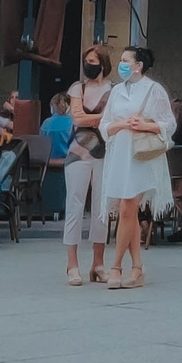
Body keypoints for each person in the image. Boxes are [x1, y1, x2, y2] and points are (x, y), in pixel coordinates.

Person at [95, 44, 174, 289]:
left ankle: (116, 266)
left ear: (139, 65)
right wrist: (121, 125)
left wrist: (145, 125)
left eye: (126, 60)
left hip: (142, 157)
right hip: (119, 154)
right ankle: (137, 267)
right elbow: (105, 125)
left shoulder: (154, 89)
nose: (122, 64)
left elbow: (168, 124)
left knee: (129, 208)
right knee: (125, 208)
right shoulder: (117, 90)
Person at [63, 44, 113, 288]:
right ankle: (72, 264)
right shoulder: (77, 87)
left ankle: (98, 263)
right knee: (75, 204)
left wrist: (91, 120)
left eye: (93, 61)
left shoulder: (114, 90)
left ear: (103, 63)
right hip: (78, 152)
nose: (89, 65)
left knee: (101, 208)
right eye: (87, 60)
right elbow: (77, 118)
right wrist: (100, 120)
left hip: (105, 152)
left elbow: (112, 119)